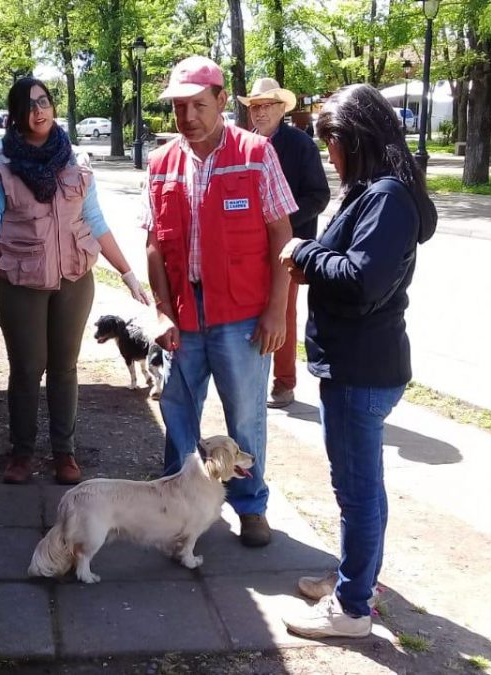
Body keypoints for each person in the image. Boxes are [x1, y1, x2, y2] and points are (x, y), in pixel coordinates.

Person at [279, 84, 436, 639]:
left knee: (358, 491)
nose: (329, 156)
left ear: (356, 139)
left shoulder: (388, 198)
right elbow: (353, 265)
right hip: (357, 362)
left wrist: (304, 252)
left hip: (360, 368)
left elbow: (362, 279)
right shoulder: (377, 191)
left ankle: (351, 609)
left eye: (332, 145)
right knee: (360, 488)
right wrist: (318, 260)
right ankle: (356, 578)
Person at [0, 77, 150, 485]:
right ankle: (22, 453)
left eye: (43, 102)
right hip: (20, 282)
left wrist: (129, 273)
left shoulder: (75, 160)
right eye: (28, 106)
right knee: (27, 368)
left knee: (64, 367)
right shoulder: (0, 167)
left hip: (74, 279)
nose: (38, 111)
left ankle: (65, 453)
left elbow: (95, 221)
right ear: (15, 116)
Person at [144, 56, 298, 548]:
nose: (187, 117)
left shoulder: (255, 154)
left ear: (222, 102)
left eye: (197, 106)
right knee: (178, 415)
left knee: (245, 416)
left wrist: (277, 310)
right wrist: (162, 310)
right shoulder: (161, 163)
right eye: (179, 107)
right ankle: (174, 506)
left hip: (243, 318)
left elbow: (283, 237)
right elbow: (154, 245)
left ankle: (250, 506)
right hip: (183, 317)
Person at [237, 77, 331, 408]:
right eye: (254, 107)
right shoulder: (243, 145)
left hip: (289, 247)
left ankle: (284, 383)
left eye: (265, 106)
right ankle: (252, 377)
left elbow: (320, 195)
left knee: (283, 313)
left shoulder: (300, 145)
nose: (259, 113)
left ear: (281, 108)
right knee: (250, 311)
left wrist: (281, 219)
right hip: (250, 246)